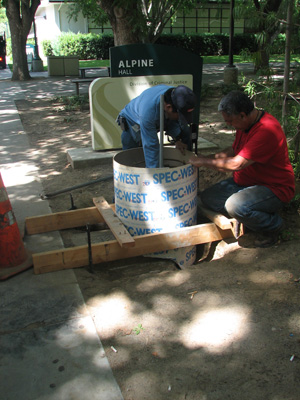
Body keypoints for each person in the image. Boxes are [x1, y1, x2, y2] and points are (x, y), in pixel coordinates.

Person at [189, 90, 295, 248]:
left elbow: (235, 164)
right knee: (208, 198)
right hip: (247, 182)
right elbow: (234, 150)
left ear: (243, 115)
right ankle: (252, 216)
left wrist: (203, 162)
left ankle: (273, 226)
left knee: (235, 206)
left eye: (230, 121)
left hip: (273, 188)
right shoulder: (245, 125)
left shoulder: (266, 130)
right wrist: (212, 156)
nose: (228, 125)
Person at [117, 84, 196, 168]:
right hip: (133, 121)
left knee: (186, 131)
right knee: (131, 158)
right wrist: (155, 175)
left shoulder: (177, 96)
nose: (182, 118)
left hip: (161, 113)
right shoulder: (148, 114)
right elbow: (151, 146)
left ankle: (188, 166)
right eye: (180, 115)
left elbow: (173, 121)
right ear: (168, 107)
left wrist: (177, 139)